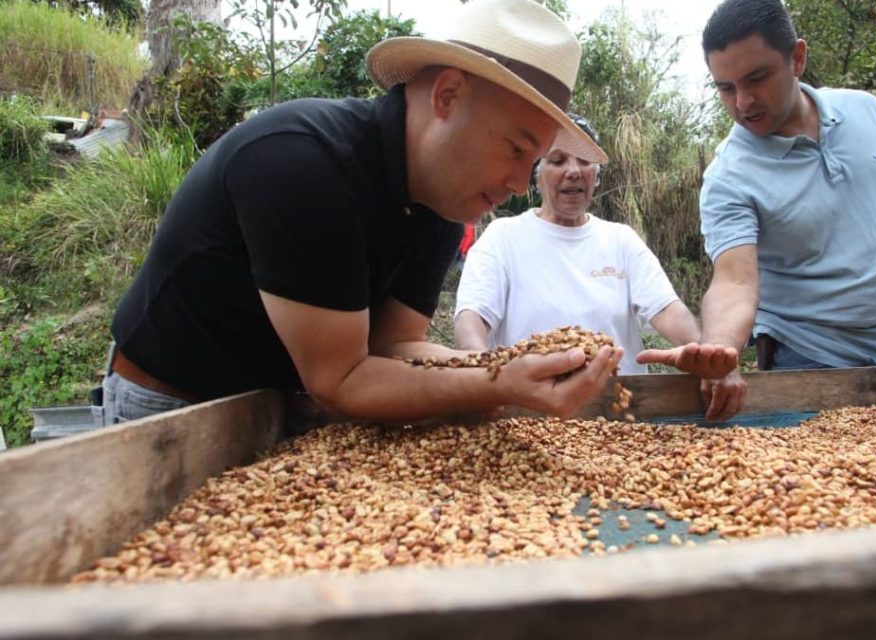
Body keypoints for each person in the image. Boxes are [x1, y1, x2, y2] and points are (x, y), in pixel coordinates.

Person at [101, 0, 626, 426]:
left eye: (532, 162)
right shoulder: (302, 160)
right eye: (516, 149)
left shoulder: (444, 202)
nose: (518, 186)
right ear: (448, 95)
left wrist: (502, 366)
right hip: (171, 405)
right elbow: (342, 380)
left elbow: (394, 344)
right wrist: (494, 382)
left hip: (289, 405)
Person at [693, 0, 876, 380]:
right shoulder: (728, 176)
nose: (743, 102)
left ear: (797, 58)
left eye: (756, 78)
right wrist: (719, 350)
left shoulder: (869, 112)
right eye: (726, 88)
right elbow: (734, 280)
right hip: (808, 360)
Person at [454, 113, 744, 420]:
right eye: (557, 161)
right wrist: (481, 374)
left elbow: (668, 311)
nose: (574, 172)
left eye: (585, 160)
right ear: (535, 175)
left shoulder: (620, 240)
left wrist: (709, 358)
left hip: (621, 414)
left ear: (597, 173)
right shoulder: (503, 237)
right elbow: (472, 318)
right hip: (530, 415)